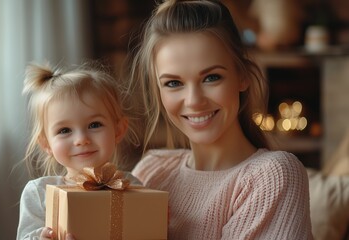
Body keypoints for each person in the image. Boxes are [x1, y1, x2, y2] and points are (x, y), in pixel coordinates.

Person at [124, 0, 313, 239]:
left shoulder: (273, 176)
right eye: (173, 83)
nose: (193, 100)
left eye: (211, 77)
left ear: (243, 75)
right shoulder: (151, 172)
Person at [16, 62, 140, 240]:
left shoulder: (130, 185)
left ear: (118, 130)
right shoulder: (39, 192)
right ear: (46, 144)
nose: (81, 139)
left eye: (94, 125)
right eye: (64, 130)